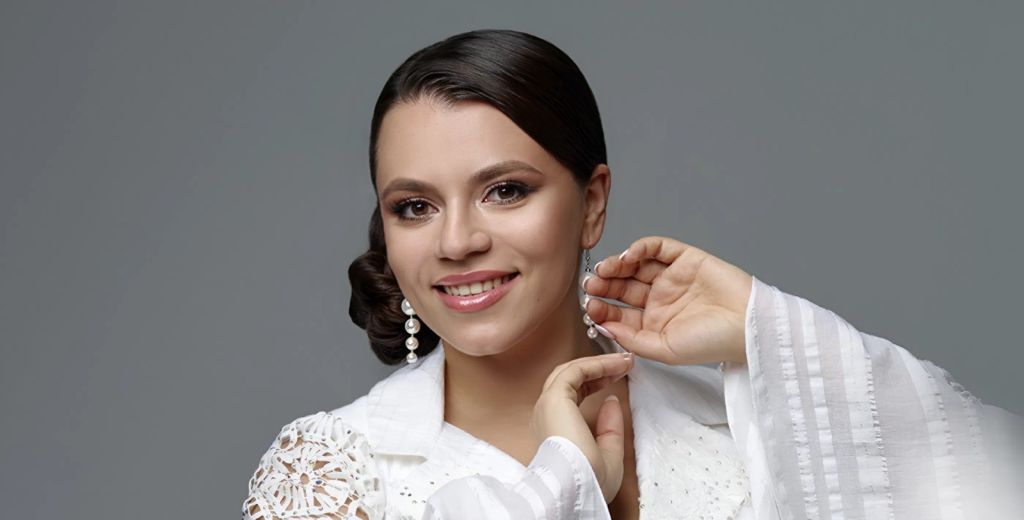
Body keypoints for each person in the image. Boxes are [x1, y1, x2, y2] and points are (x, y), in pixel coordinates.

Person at [240, 29, 1022, 519]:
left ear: (592, 204)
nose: (458, 240)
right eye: (414, 207)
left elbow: (990, 478)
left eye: (505, 191)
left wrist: (764, 328)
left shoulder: (745, 416)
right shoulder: (330, 472)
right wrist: (562, 485)